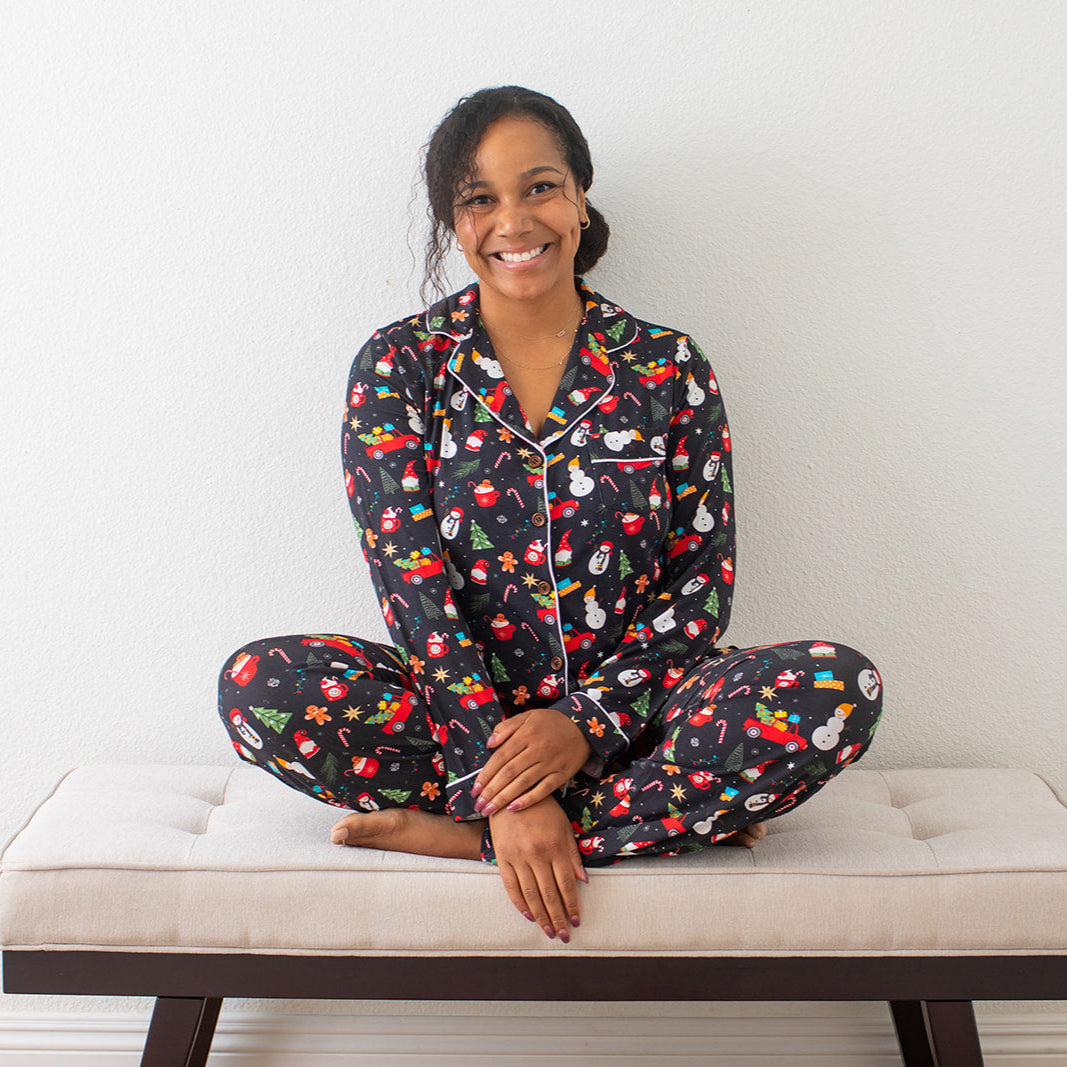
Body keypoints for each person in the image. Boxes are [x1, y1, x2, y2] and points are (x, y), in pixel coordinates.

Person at [219, 86, 883, 944]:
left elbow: (699, 586)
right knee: (258, 685)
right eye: (479, 199)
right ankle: (623, 823)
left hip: (637, 715)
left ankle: (471, 838)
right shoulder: (398, 366)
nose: (513, 220)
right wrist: (505, 776)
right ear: (453, 224)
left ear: (578, 197)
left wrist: (585, 722)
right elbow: (412, 592)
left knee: (838, 683)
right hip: (456, 712)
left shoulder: (667, 365)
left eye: (538, 187)